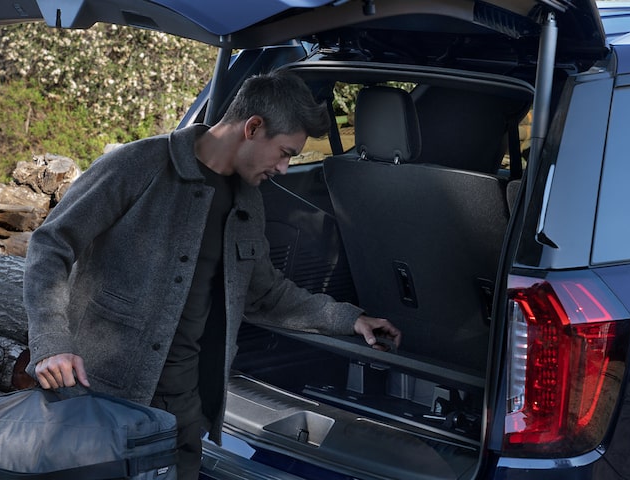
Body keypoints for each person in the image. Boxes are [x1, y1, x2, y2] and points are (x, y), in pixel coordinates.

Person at [23, 70, 402, 479]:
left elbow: (265, 294)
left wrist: (348, 319)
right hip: (104, 403)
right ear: (253, 127)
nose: (284, 167)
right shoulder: (138, 165)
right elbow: (51, 244)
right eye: (285, 151)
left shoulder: (249, 203)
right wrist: (50, 341)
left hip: (186, 414)